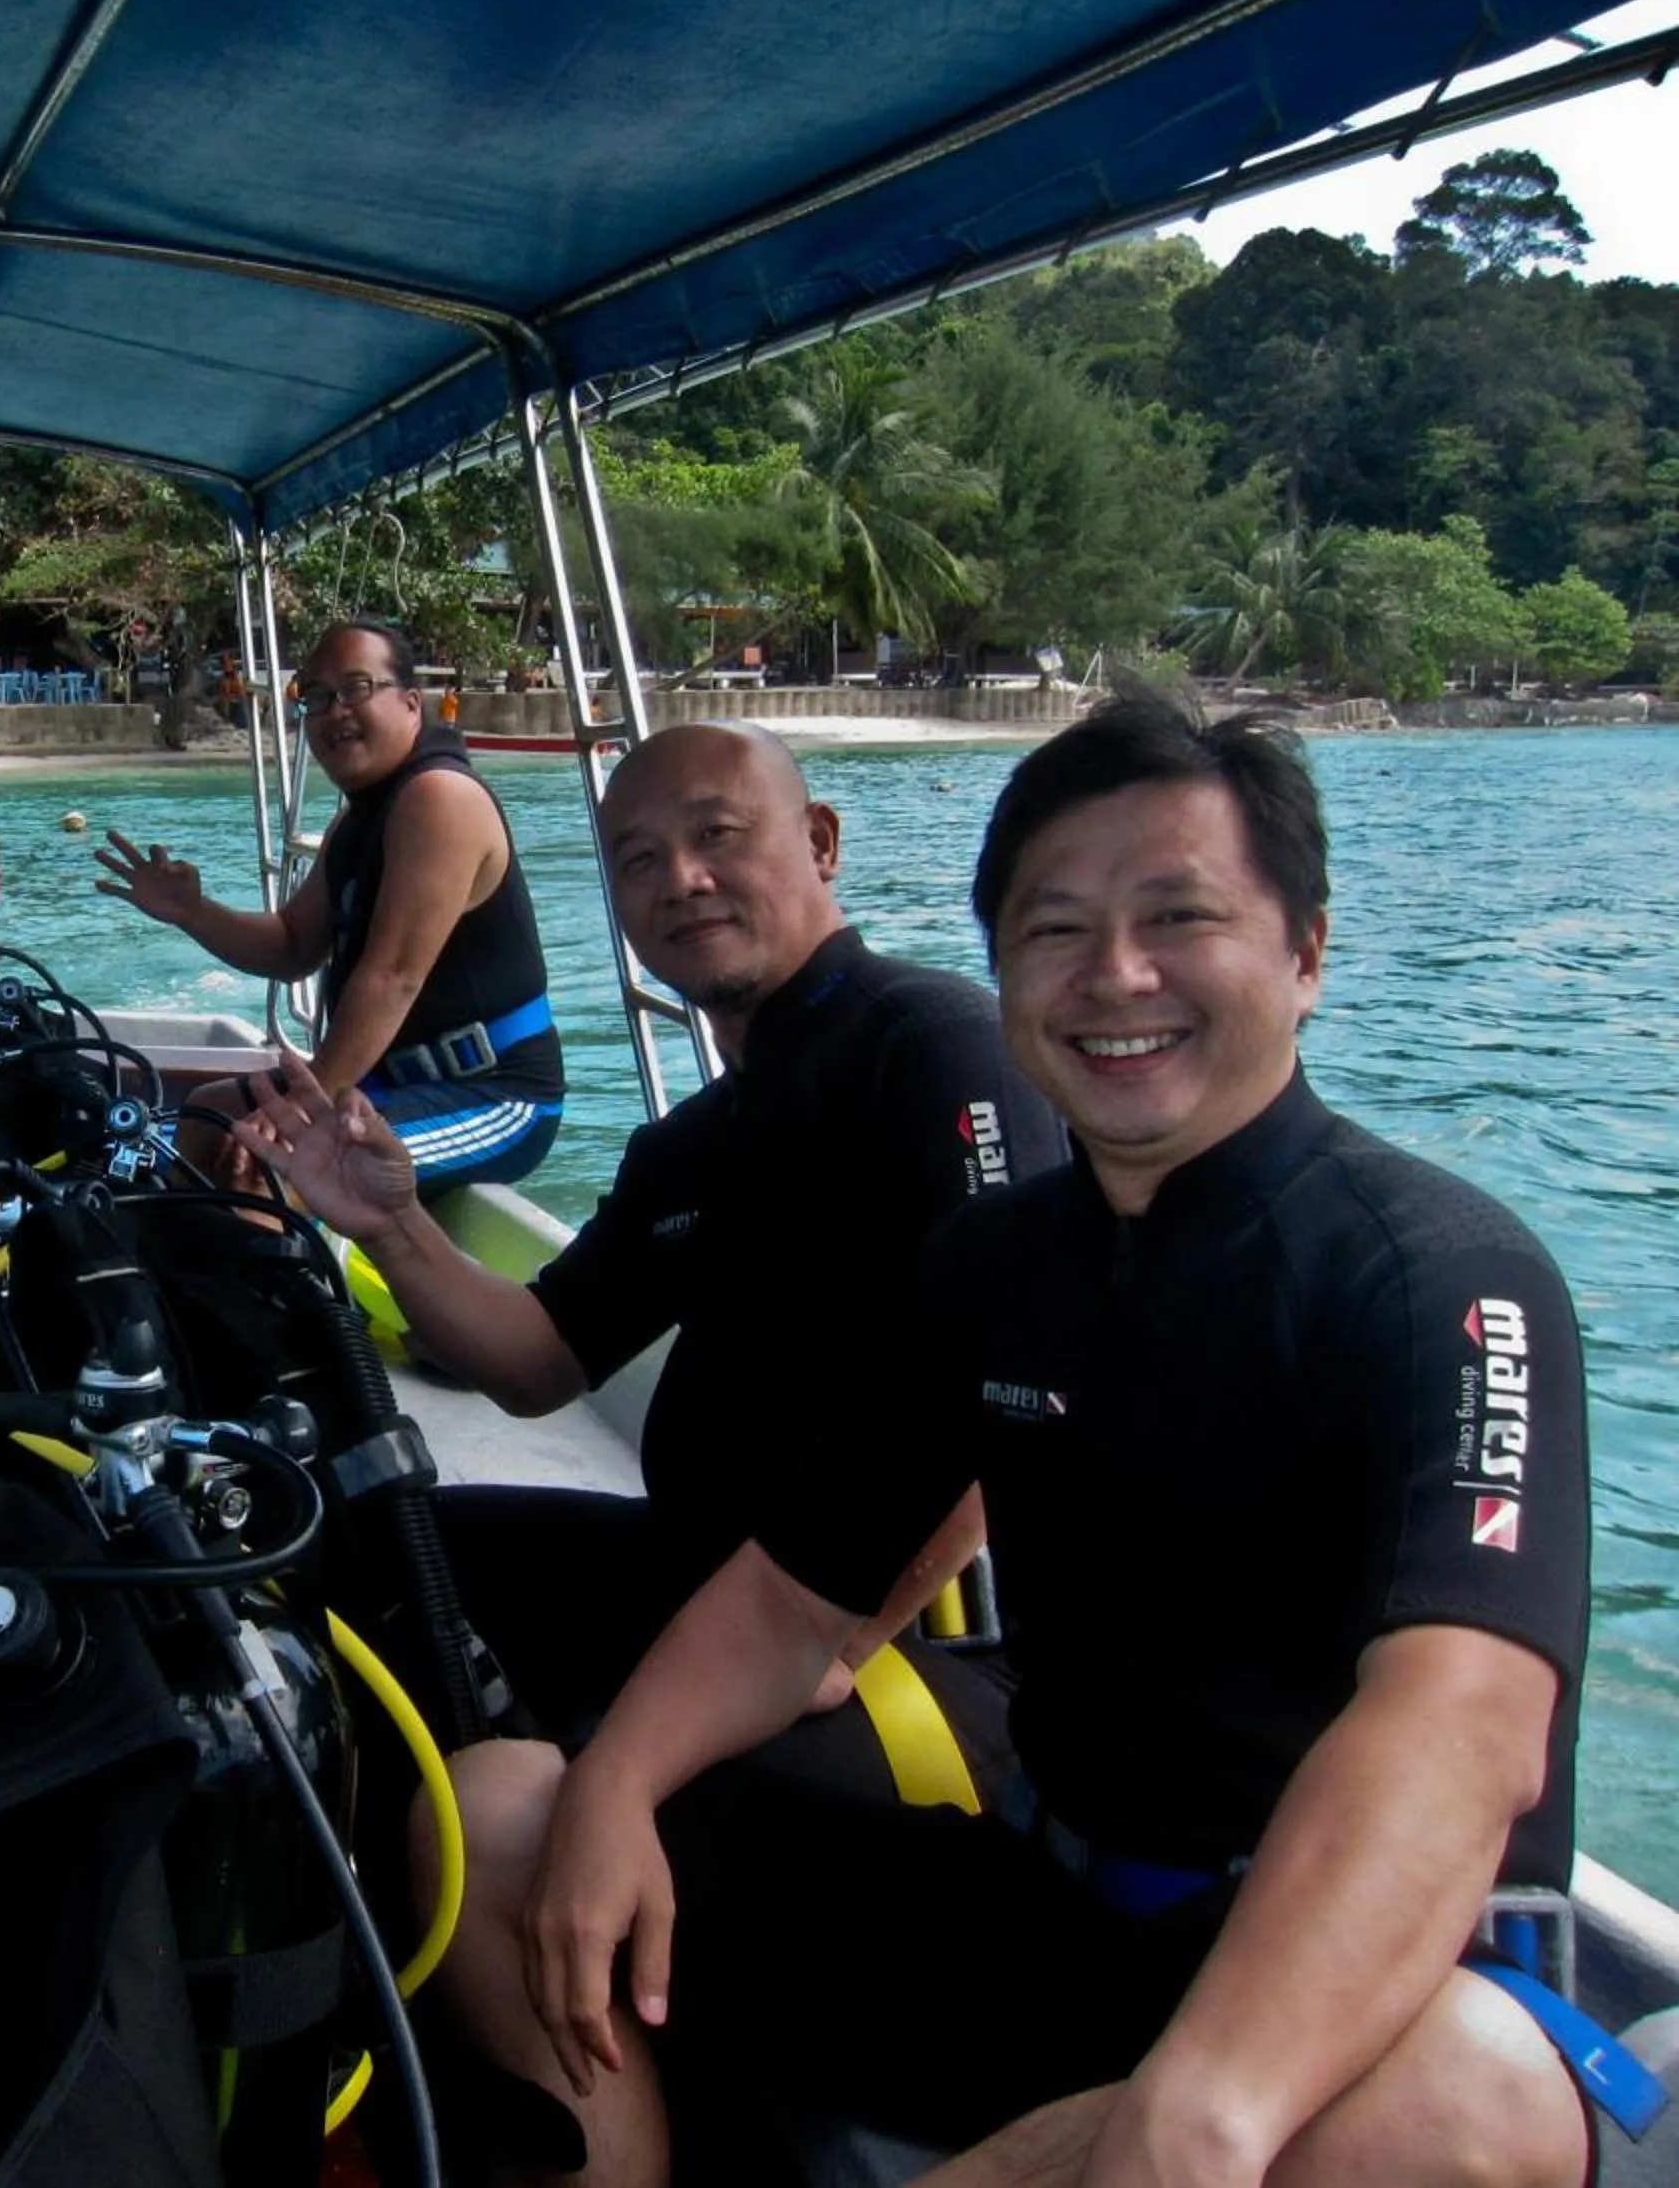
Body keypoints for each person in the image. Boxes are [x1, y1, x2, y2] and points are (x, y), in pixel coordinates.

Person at [454, 700, 1594, 2188]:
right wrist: (611, 1788)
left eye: (1178, 915)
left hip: (1333, 1983)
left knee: (1474, 2091)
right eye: (1056, 932)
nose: (1116, 975)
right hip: (1048, 1907)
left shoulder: (1442, 1275)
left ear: (1306, 953)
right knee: (498, 1817)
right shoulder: (999, 1265)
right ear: (1005, 977)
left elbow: (1463, 1729)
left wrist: (1197, 2110)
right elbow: (802, 1595)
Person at [227, 718, 1060, 1757]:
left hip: (880, 1645)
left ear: (821, 842)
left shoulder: (936, 1050)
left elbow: (1013, 1391)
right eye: (638, 860)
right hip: (695, 1573)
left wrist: (837, 1647)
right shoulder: (698, 1140)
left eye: (718, 836)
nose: (682, 879)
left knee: (539, 1783)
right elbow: (536, 1363)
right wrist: (388, 1221)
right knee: (344, 1549)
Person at [97, 619, 565, 1190]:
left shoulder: (440, 798)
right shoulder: (360, 818)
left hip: (497, 1094)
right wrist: (193, 912)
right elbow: (293, 945)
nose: (334, 710)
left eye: (356, 688)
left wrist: (306, 1108)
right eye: (316, 697)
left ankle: (266, 1276)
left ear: (413, 703)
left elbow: (392, 978)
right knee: (206, 1114)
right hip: (385, 1083)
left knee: (282, 1161)